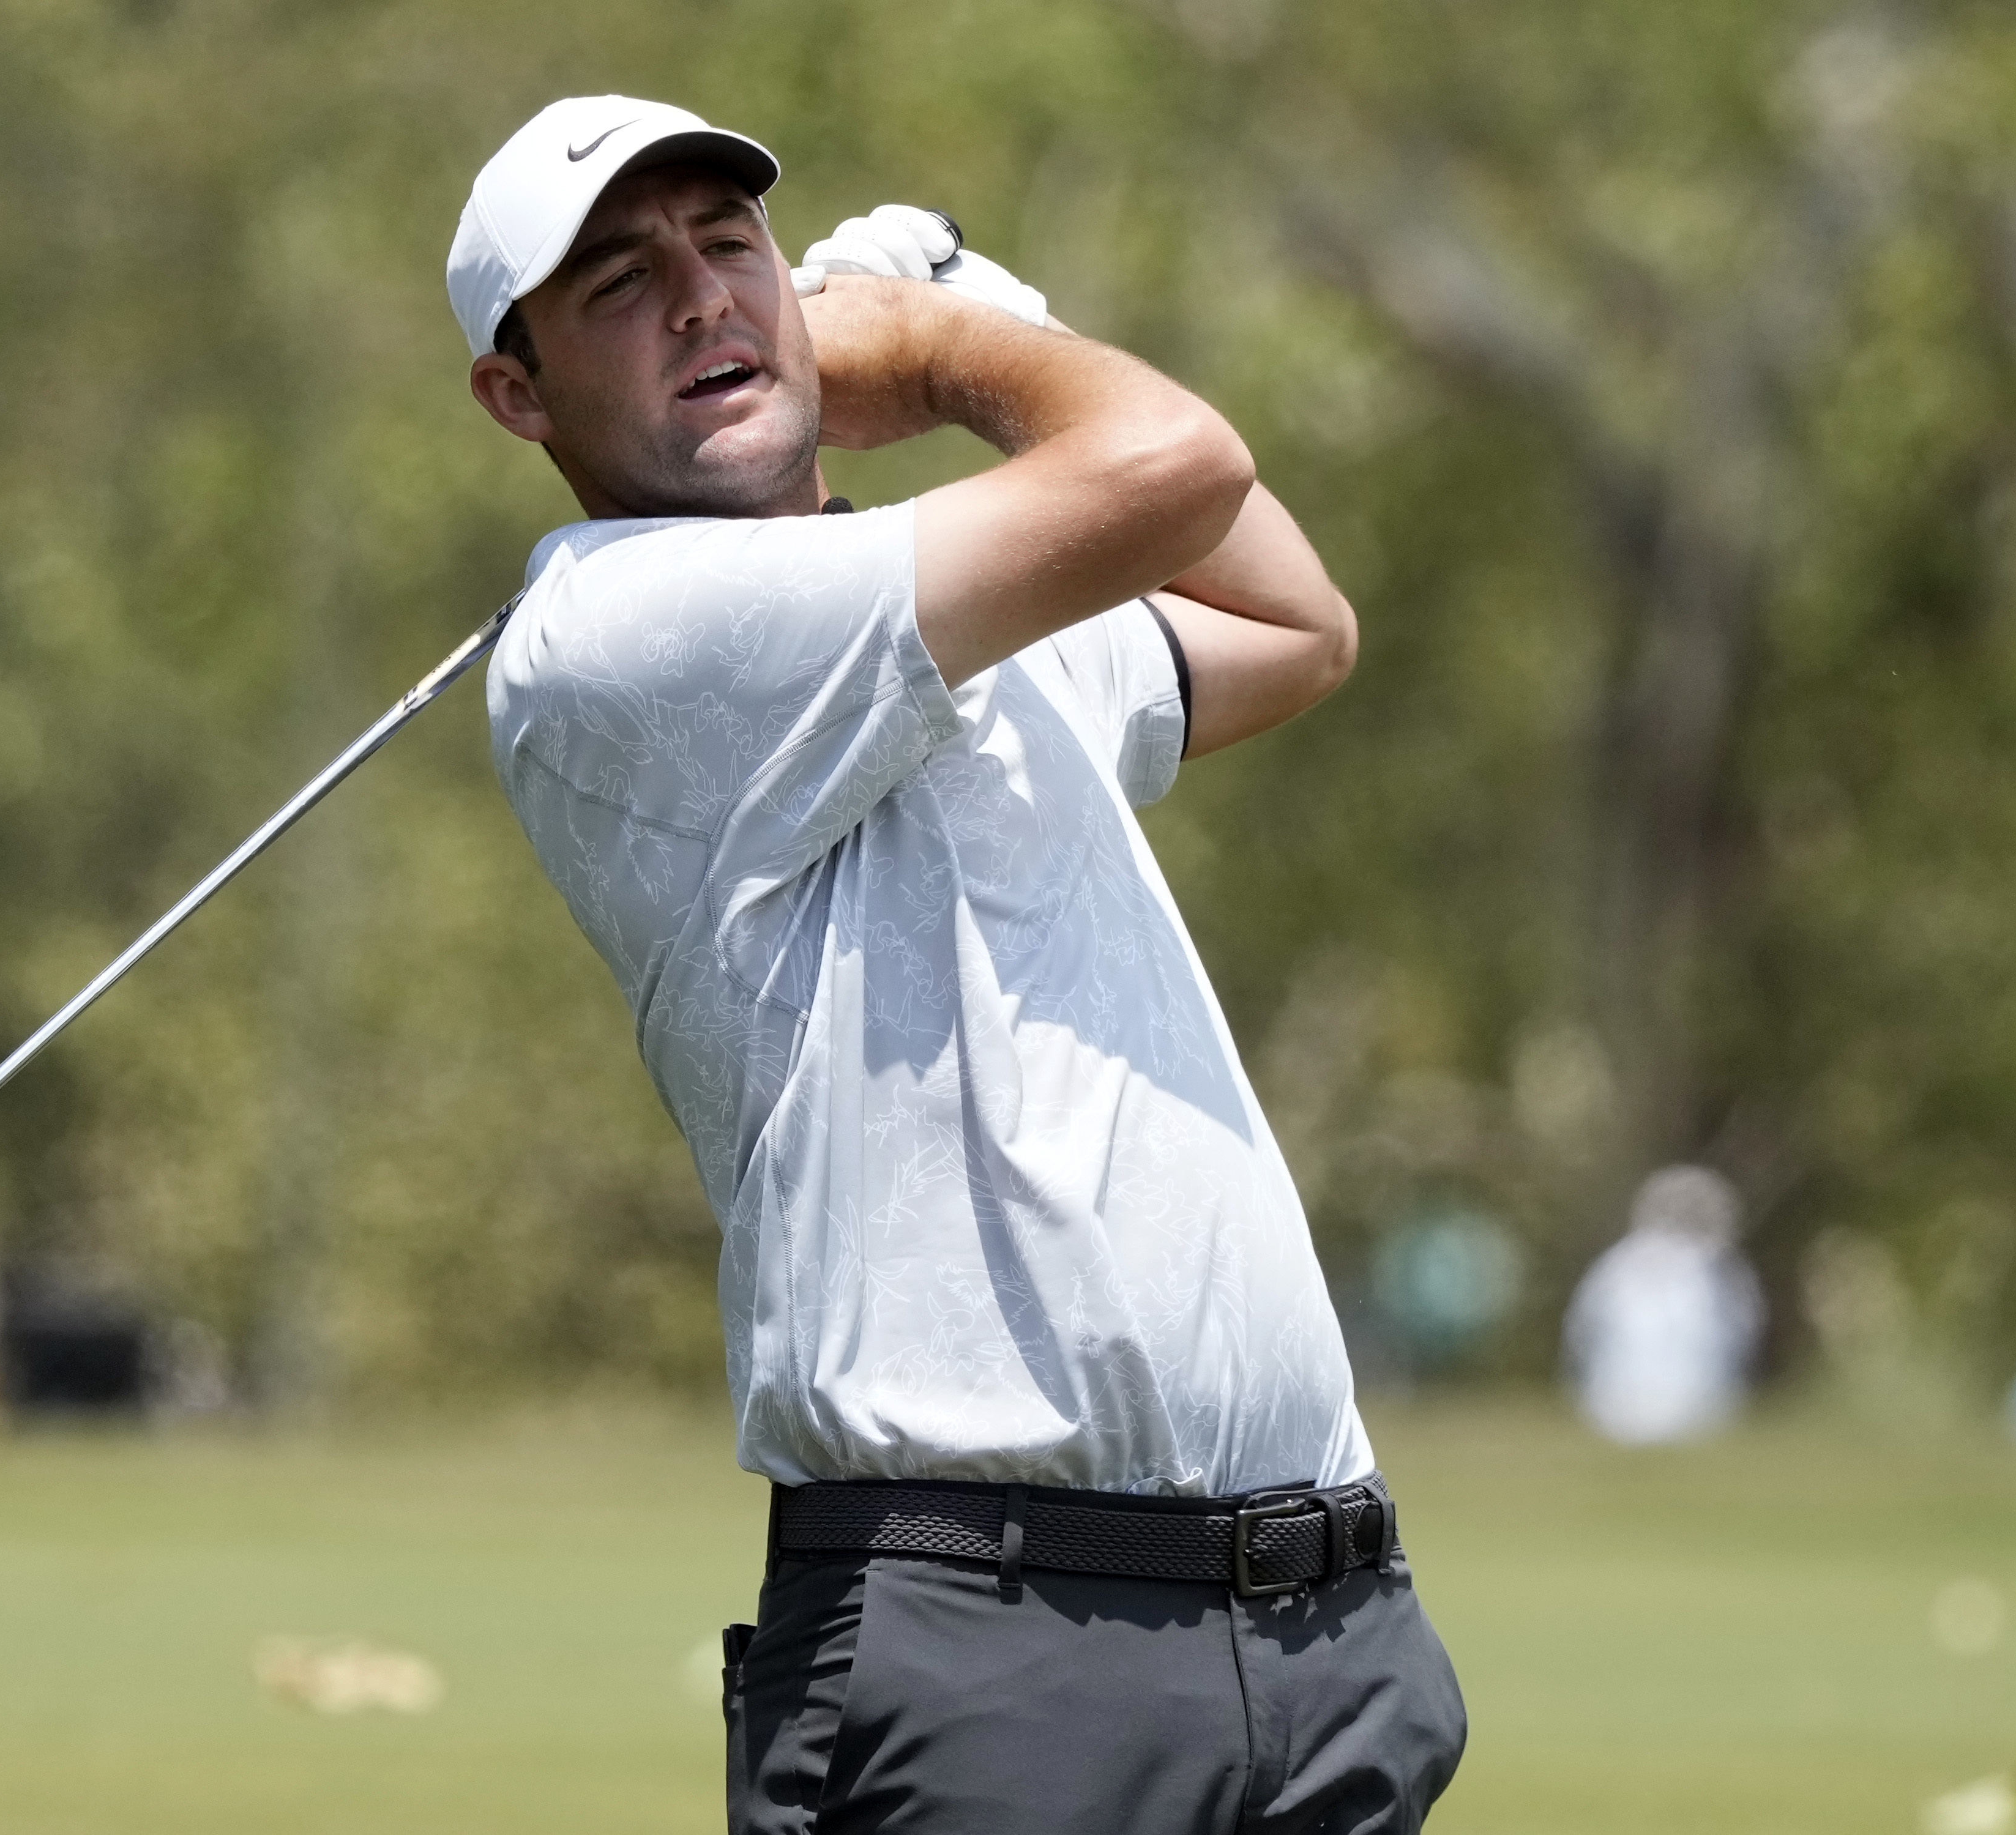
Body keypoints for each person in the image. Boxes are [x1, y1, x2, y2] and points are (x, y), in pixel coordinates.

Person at [449, 95, 1465, 1832]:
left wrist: (991, 319)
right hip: (997, 1650)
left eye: (729, 246)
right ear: (517, 395)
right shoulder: (611, 633)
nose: (701, 298)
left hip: (1318, 1637)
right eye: (620, 282)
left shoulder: (972, 630)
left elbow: (1297, 623)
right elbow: (1175, 465)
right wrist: (933, 345)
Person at [1565, 1164, 1763, 1444]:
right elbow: (1745, 1332)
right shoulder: (1717, 1269)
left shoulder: (1616, 1263)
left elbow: (1580, 1332)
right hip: (1698, 1412)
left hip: (1614, 1411)